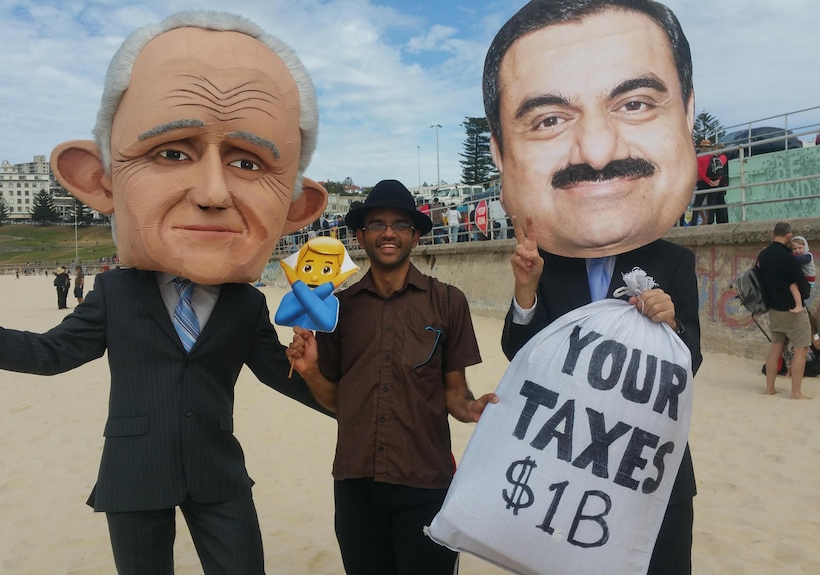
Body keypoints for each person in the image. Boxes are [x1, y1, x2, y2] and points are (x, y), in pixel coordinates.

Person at [0, 11, 331, 574]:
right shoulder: (115, 294)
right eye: (173, 153)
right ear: (100, 181)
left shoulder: (246, 303)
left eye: (247, 161)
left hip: (218, 474)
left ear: (294, 211)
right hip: (135, 472)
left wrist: (335, 394)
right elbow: (51, 354)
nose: (211, 193)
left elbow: (277, 374)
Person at [483, 1, 702, 573]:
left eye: (634, 104)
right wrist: (525, 291)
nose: (599, 152)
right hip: (563, 476)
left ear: (687, 116)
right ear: (500, 153)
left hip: (654, 476)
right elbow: (518, 354)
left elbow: (691, 361)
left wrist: (670, 325)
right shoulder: (549, 265)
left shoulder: (674, 261)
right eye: (550, 119)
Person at [287, 179, 497, 575]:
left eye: (400, 224)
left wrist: (471, 408)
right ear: (360, 236)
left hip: (426, 479)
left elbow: (454, 392)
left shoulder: (448, 301)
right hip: (356, 484)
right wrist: (311, 371)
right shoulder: (337, 310)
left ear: (415, 236)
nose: (388, 232)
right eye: (377, 224)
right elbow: (336, 401)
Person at [757, 222, 812, 399]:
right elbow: (801, 284)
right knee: (801, 350)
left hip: (774, 309)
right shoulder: (789, 258)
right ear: (789, 236)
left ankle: (770, 388)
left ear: (773, 234)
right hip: (793, 311)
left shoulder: (763, 255)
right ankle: (796, 392)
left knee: (775, 348)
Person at [694, 139, 728, 225]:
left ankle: (693, 223)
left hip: (703, 182)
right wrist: (717, 181)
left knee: (698, 203)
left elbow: (700, 172)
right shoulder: (715, 156)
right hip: (714, 182)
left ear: (701, 148)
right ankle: (710, 222)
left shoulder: (699, 157)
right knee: (711, 204)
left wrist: (708, 181)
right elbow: (720, 170)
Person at [789, 235, 815, 302]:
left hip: (808, 279)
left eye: (800, 248)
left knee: (793, 286)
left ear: (805, 247)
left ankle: (798, 305)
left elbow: (799, 259)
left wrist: (786, 255)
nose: (797, 251)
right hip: (803, 278)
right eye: (794, 249)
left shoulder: (808, 256)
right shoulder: (797, 256)